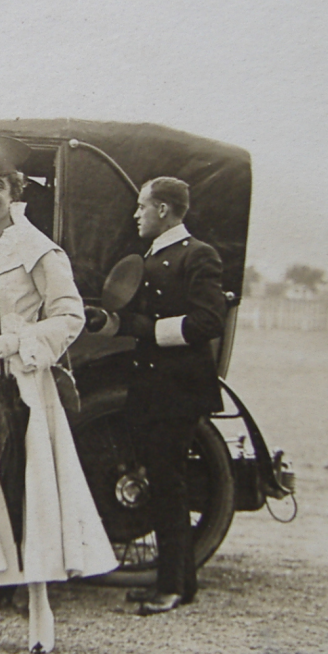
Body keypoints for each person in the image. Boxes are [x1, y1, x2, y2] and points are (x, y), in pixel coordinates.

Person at [0, 137, 117, 654]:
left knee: (24, 491)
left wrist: (21, 342)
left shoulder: (38, 249)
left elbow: (70, 315)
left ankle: (38, 605)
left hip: (16, 386)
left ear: (15, 192)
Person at [113, 177, 227, 615]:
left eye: (142, 207)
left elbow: (206, 322)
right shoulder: (154, 254)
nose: (136, 214)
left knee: (168, 486)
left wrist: (147, 330)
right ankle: (181, 582)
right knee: (163, 484)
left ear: (162, 209)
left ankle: (171, 587)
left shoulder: (198, 255)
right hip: (154, 386)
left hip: (178, 389)